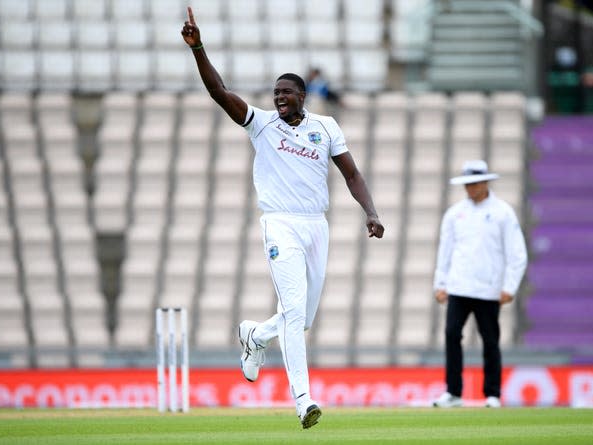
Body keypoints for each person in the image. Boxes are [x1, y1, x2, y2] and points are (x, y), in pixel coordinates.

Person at [181, 7, 384, 428]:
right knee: (293, 312)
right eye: (275, 92)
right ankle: (304, 400)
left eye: (286, 93)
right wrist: (198, 48)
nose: (278, 98)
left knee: (303, 319)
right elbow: (219, 91)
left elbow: (352, 173)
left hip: (317, 226)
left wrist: (371, 212)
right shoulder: (262, 125)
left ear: (302, 96)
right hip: (281, 223)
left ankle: (255, 335)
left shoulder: (326, 127)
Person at [432, 160, 527, 408]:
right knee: (452, 334)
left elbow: (517, 253)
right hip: (458, 286)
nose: (471, 189)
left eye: (475, 184)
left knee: (490, 339)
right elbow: (446, 251)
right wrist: (440, 284)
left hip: (489, 289)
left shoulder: (503, 212)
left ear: (486, 182)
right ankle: (453, 392)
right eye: (467, 184)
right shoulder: (454, 214)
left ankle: (492, 394)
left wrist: (510, 286)